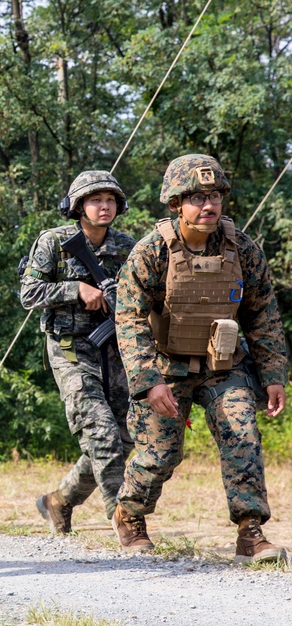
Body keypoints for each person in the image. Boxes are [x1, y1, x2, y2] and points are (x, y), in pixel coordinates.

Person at [113, 154, 288, 564]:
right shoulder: (150, 252)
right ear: (175, 204)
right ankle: (130, 513)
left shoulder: (241, 248)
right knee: (160, 455)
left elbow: (263, 313)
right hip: (164, 366)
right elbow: (129, 317)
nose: (208, 205)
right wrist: (147, 380)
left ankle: (250, 531)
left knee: (242, 434)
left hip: (223, 366)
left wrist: (273, 373)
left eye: (214, 196)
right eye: (196, 197)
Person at [20, 171, 136, 533]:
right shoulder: (54, 242)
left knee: (123, 435)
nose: (104, 206)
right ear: (78, 206)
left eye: (110, 200)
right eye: (95, 200)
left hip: (114, 348)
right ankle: (123, 518)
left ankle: (59, 501)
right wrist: (76, 289)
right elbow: (28, 294)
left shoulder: (127, 245)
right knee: (100, 431)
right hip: (70, 348)